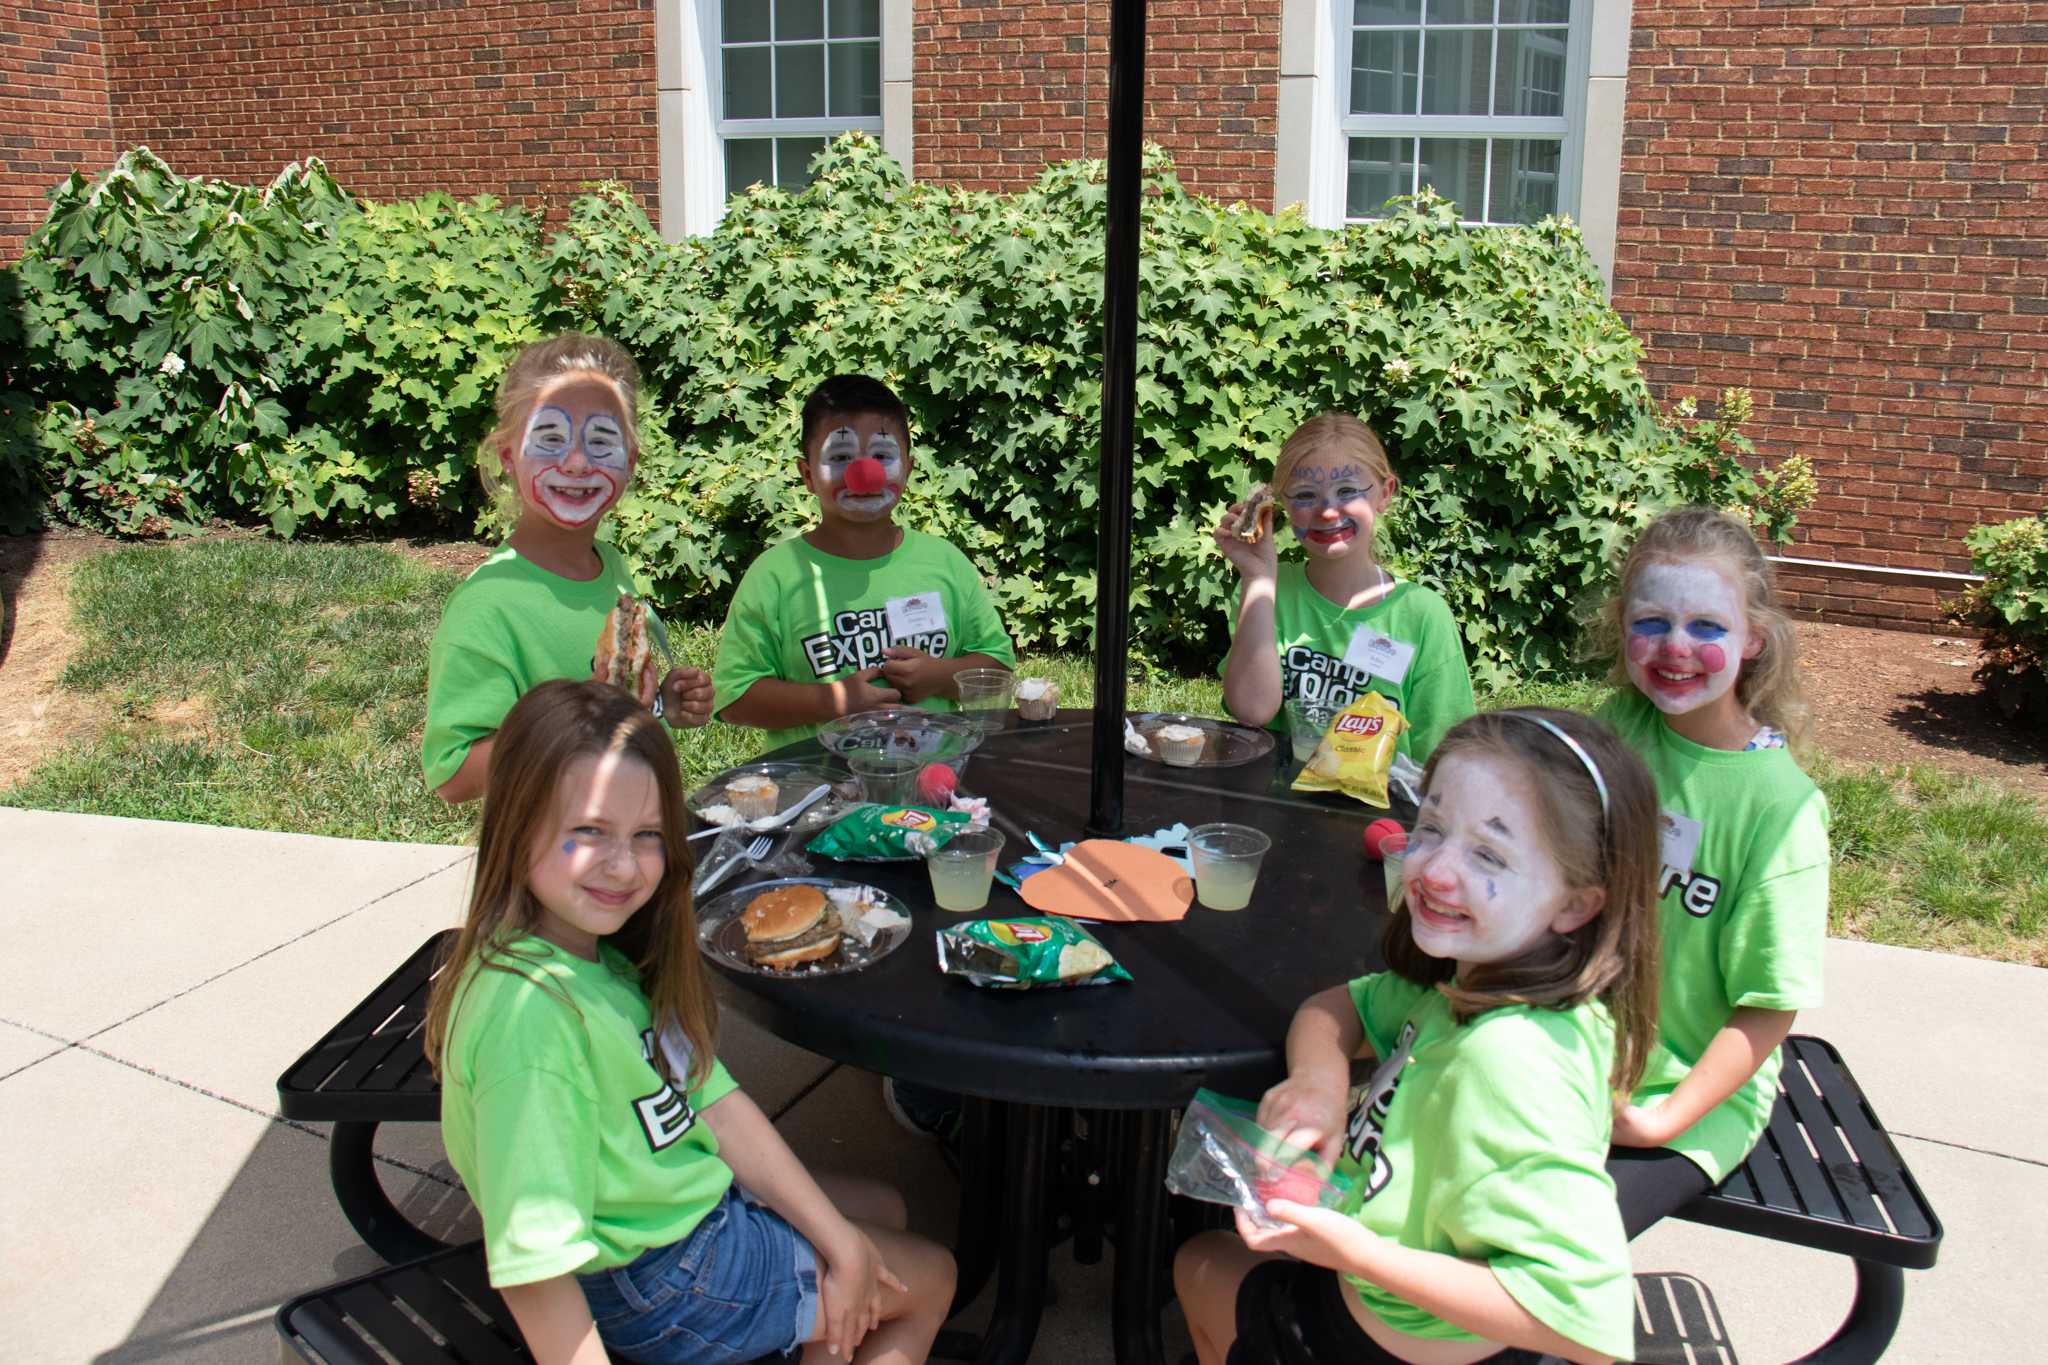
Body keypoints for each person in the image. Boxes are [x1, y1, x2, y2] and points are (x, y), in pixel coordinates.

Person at [424, 679, 955, 1365]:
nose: (622, 865)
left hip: (674, 1209)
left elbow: (713, 1099)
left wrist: (842, 1240)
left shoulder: (592, 953)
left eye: (646, 835)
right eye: (588, 831)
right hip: (656, 1274)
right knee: (931, 1273)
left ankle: (821, 1323)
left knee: (881, 1212)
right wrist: (841, 1251)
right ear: (516, 821)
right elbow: (536, 1265)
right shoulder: (531, 1022)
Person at [1173, 708, 1663, 1365]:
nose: (1432, 870)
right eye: (1431, 828)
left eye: (1489, 852)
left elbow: (1584, 1324)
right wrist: (1318, 1084)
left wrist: (1359, 1252)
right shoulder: (1475, 981)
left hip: (1382, 1336)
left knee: (1198, 1264)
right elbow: (1334, 1005)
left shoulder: (1509, 1057)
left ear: (1576, 903)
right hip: (1393, 1304)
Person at [1594, 506, 1828, 1238]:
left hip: (1685, 1098)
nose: (1676, 646)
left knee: (1541, 1256)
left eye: (1708, 626)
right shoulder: (1620, 728)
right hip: (1575, 1057)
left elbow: (1768, 1005)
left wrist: (1663, 1116)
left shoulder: (1781, 809)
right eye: (1652, 621)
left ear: (1754, 638)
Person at [423, 334, 715, 804]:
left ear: (630, 461)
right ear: (508, 457)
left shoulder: (611, 565)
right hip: (552, 858)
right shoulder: (489, 605)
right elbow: (454, 776)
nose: (577, 462)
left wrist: (662, 703)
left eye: (602, 441)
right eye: (551, 438)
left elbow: (617, 705)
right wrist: (583, 715)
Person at [711, 374, 1015, 752]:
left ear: (907, 469)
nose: (864, 473)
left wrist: (938, 676)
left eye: (882, 456)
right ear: (807, 474)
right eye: (840, 457)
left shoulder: (945, 563)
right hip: (819, 791)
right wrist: (834, 701)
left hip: (936, 790)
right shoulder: (774, 576)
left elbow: (999, 671)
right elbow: (735, 700)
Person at [1214, 413, 1474, 764]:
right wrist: (1258, 577)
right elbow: (1251, 711)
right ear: (1283, 507)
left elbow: (1446, 756)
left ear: (1384, 494)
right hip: (1276, 805)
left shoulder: (1423, 616)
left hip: (1381, 812)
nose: (1328, 511)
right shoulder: (1268, 592)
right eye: (1306, 494)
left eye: (1348, 490)